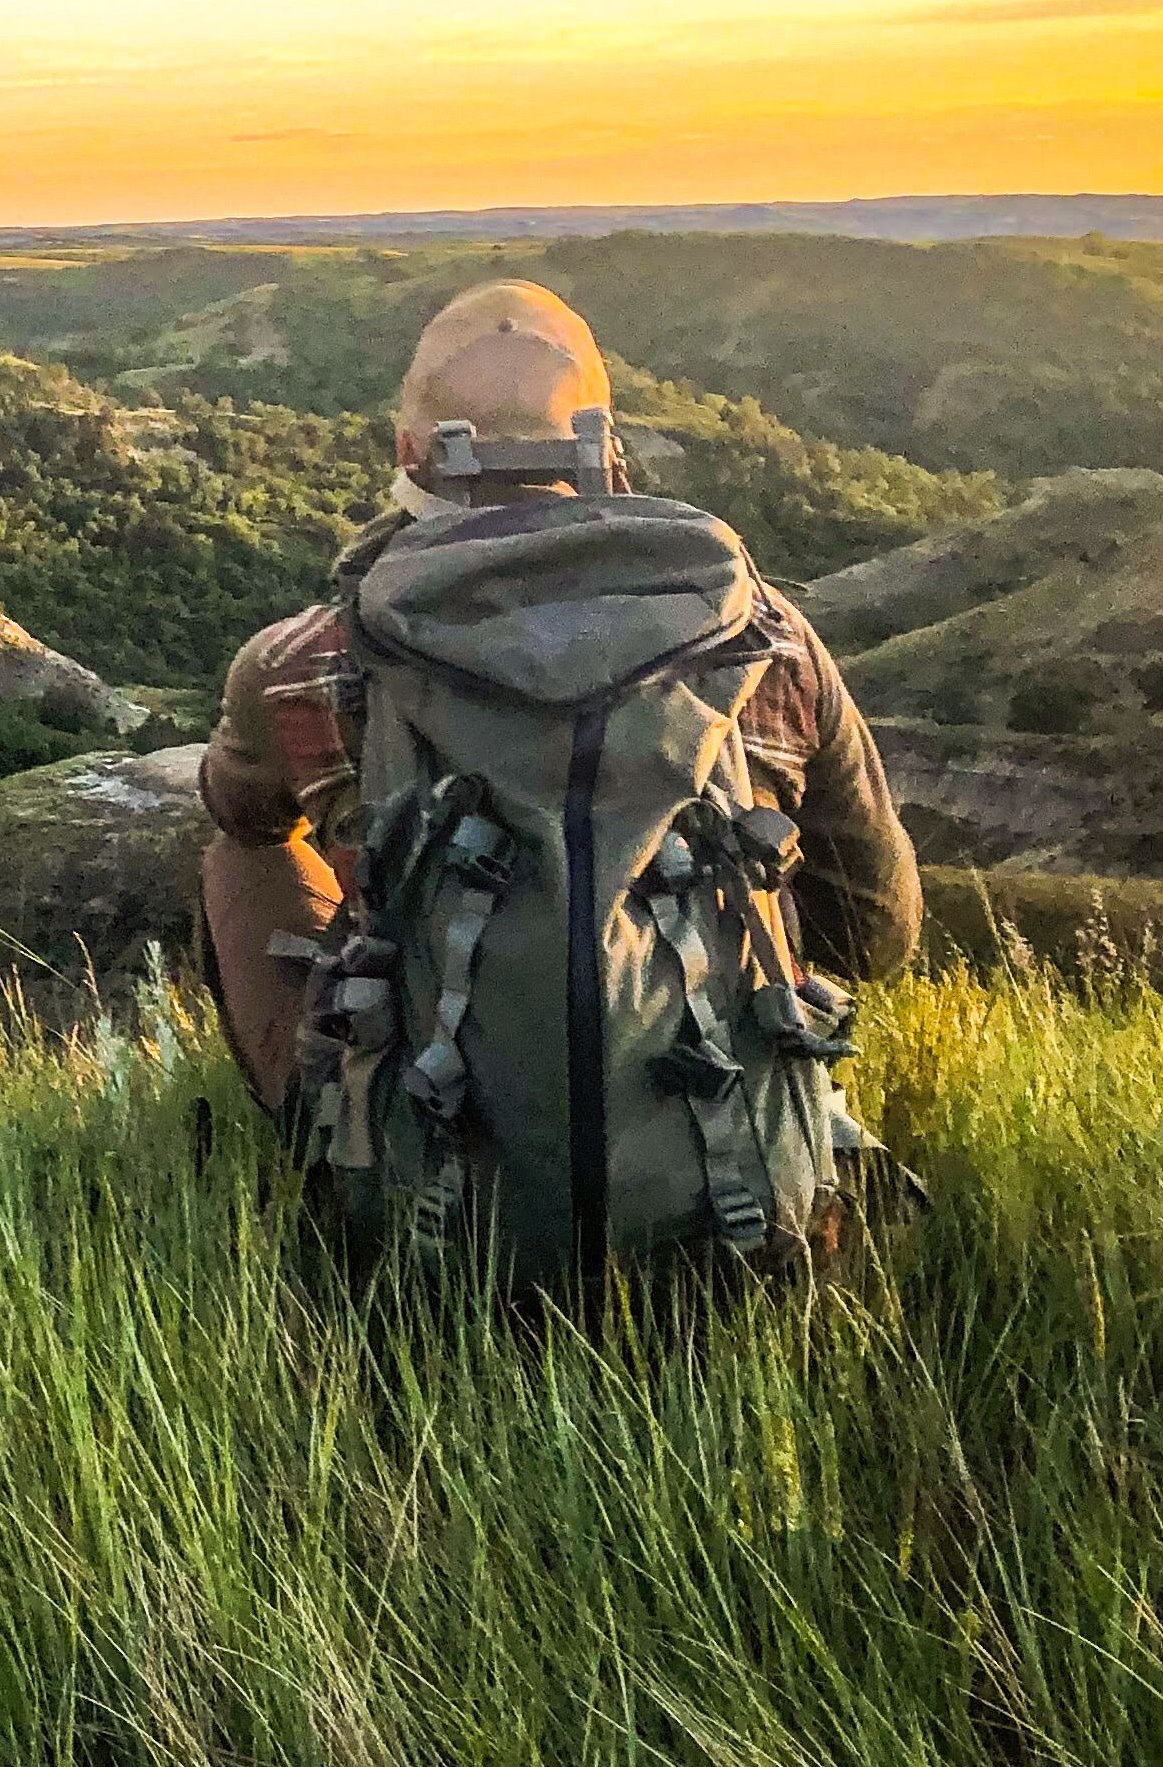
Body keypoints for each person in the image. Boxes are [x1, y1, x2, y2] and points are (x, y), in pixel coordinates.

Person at [194, 283, 924, 1150]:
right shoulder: (766, 642)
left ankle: (340, 1143)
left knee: (236, 846)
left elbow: (245, 814)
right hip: (734, 1185)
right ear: (606, 452)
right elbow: (875, 935)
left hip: (434, 1209)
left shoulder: (301, 663)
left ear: (408, 454)